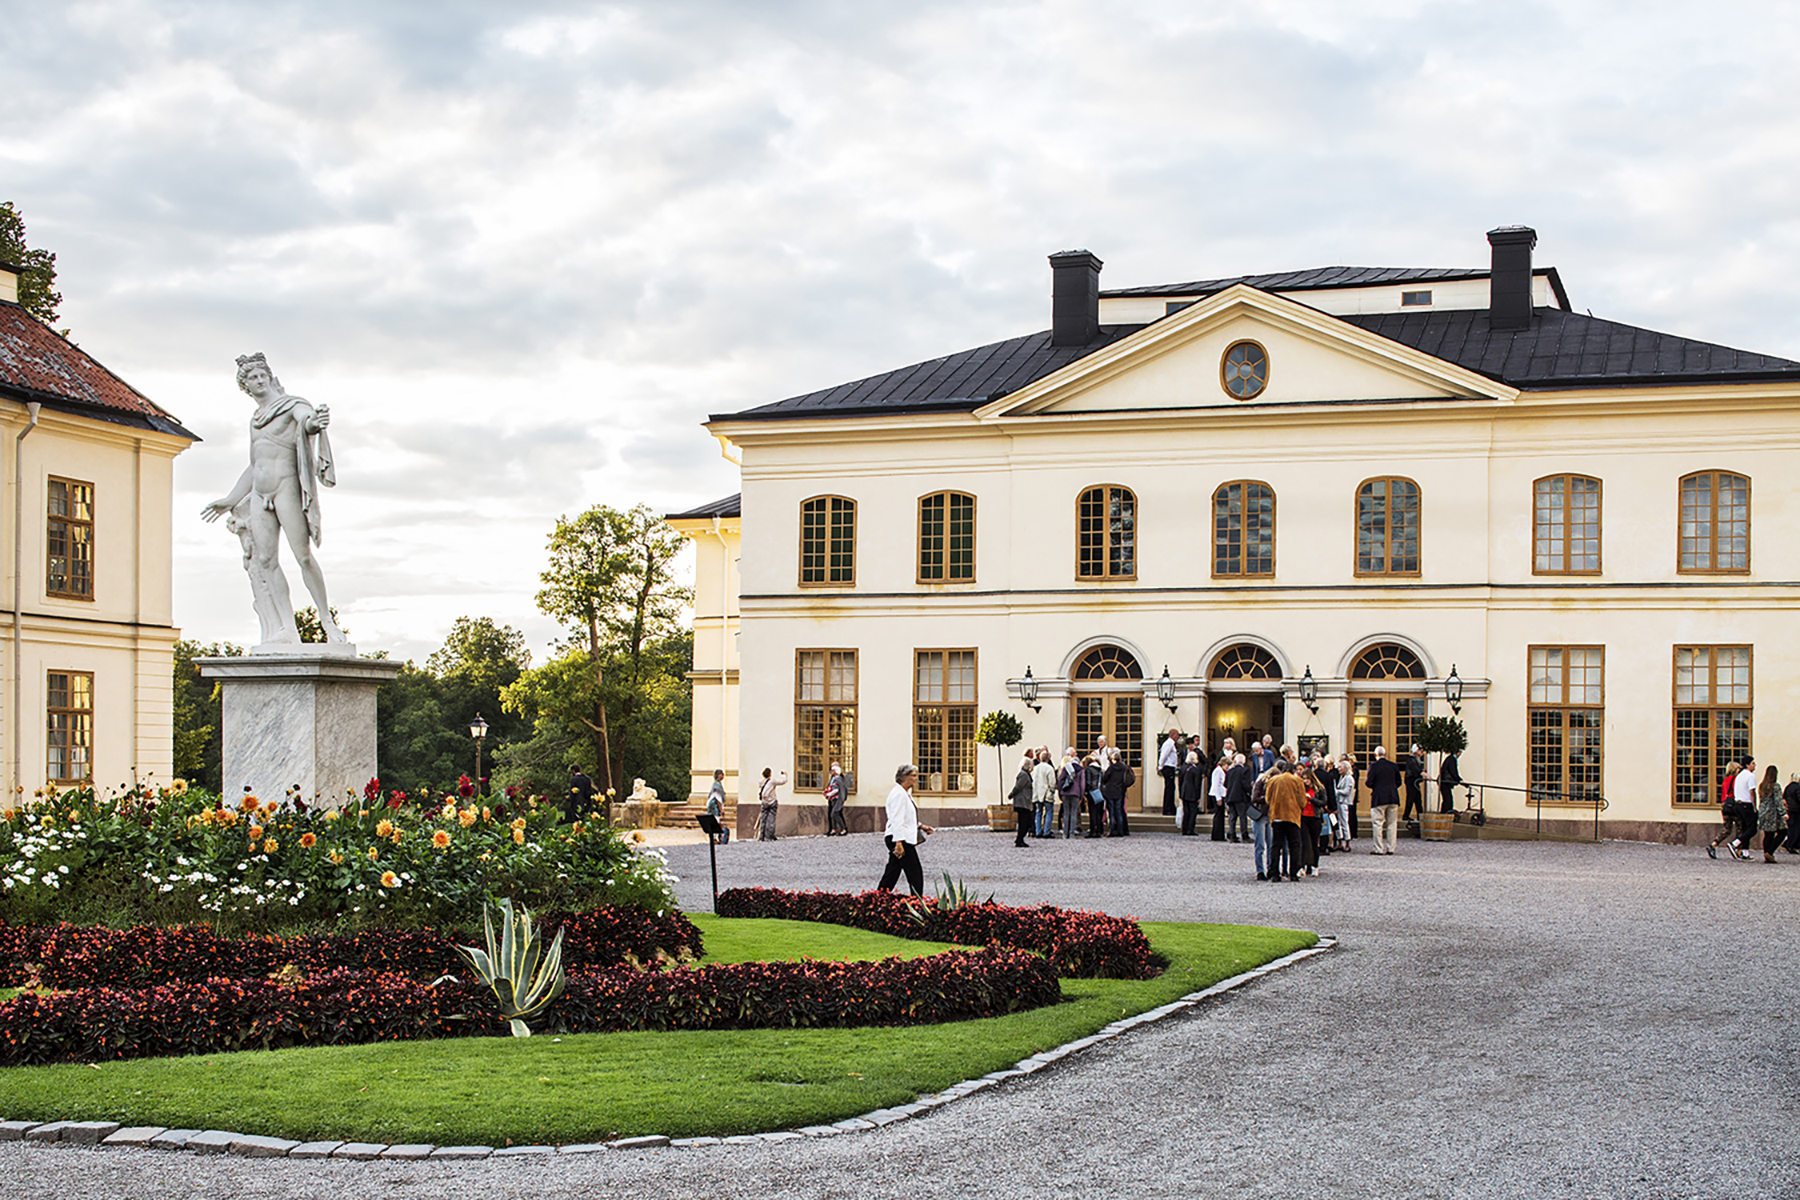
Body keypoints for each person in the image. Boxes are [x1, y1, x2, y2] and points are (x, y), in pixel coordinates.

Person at [201, 353, 344, 647]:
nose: (259, 380)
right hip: (260, 494)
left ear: (269, 377)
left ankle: (327, 622)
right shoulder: (254, 421)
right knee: (265, 561)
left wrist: (316, 421)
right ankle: (287, 629)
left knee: (303, 556)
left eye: (262, 375)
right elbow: (255, 466)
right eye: (252, 378)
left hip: (286, 487)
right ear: (246, 387)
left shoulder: (292, 404)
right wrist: (230, 500)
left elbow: (306, 422)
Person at [876, 764, 932, 894]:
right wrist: (899, 843)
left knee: (892, 872)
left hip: (900, 837)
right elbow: (896, 819)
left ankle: (878, 898)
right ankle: (917, 903)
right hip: (900, 839)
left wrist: (921, 826)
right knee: (915, 873)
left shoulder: (903, 793)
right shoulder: (899, 794)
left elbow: (906, 817)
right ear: (904, 777)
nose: (916, 778)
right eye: (913, 775)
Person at [1265, 760, 1306, 882]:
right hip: (1292, 816)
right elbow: (1302, 801)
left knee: (1276, 845)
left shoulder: (1273, 780)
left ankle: (1275, 873)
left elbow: (1268, 799)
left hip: (1277, 815)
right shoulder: (1298, 781)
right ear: (1293, 770)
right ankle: (1293, 873)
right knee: (1294, 845)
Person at [1366, 745, 1402, 855]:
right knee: (1392, 824)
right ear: (1385, 754)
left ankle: (1379, 848)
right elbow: (1399, 782)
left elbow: (1369, 782)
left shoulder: (1374, 766)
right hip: (1392, 796)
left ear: (1375, 755)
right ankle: (1391, 848)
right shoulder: (1393, 766)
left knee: (1378, 823)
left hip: (1379, 797)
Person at [1756, 764, 1785, 863]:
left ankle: (1767, 855)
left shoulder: (1762, 785)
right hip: (1773, 813)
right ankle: (1770, 852)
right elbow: (1778, 801)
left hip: (1764, 812)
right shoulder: (1775, 786)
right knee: (1783, 832)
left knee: (1768, 834)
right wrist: (1783, 813)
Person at [1101, 749, 1132, 836]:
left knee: (1111, 812)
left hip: (1110, 791)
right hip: (1119, 791)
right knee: (1118, 811)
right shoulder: (1123, 768)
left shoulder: (1111, 767)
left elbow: (1105, 777)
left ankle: (1112, 830)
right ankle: (1121, 831)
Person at [1057, 748, 1085, 837]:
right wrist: (1081, 796)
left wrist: (1060, 794)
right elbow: (1082, 784)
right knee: (1073, 814)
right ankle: (1072, 833)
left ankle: (1065, 833)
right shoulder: (1080, 770)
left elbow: (1060, 781)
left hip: (1065, 793)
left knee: (1066, 813)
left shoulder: (1065, 768)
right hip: (1076, 793)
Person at [1010, 752, 1036, 848]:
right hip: (1022, 802)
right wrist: (1011, 795)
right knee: (1024, 822)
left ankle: (1020, 839)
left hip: (1025, 801)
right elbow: (1018, 787)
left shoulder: (1025, 774)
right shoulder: (1024, 775)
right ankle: (1019, 839)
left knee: (1026, 821)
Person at [1224, 752, 1251, 843]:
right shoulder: (1245, 771)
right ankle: (1244, 834)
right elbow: (1245, 785)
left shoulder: (1230, 771)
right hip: (1241, 796)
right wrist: (1249, 792)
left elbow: (1226, 784)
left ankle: (1232, 834)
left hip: (1231, 796)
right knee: (1242, 816)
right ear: (1244, 762)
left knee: (1232, 816)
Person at [1032, 748, 1057, 838]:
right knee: (1049, 812)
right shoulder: (1049, 768)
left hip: (1037, 794)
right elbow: (1052, 782)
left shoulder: (1035, 768)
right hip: (1047, 794)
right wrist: (1052, 790)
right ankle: (1046, 831)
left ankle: (1038, 831)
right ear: (1048, 759)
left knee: (1038, 812)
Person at [1179, 751, 1205, 836]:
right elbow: (1197, 784)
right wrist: (1198, 796)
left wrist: (1180, 793)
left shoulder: (1183, 768)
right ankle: (1190, 829)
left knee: (1186, 811)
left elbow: (1180, 781)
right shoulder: (1196, 770)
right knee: (1193, 812)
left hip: (1184, 792)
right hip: (1192, 792)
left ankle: (1184, 828)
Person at [757, 766, 786, 841]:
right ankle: (769, 835)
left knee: (763, 818)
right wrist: (785, 775)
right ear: (770, 774)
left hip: (764, 802)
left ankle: (762, 836)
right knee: (771, 819)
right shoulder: (772, 781)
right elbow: (783, 781)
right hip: (772, 801)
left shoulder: (761, 782)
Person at [1334, 756, 1356, 851]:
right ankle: (1339, 841)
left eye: (1340, 767)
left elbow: (1347, 791)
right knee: (1338, 822)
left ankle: (1347, 841)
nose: (1339, 769)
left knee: (1344, 822)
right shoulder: (1341, 778)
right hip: (1339, 802)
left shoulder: (1349, 778)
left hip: (1344, 802)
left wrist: (1336, 791)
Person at [1402, 744, 1426, 829]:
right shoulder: (1411, 760)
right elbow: (1417, 770)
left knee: (1417, 799)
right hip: (1411, 782)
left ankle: (1420, 815)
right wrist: (1425, 775)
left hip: (1414, 782)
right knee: (1411, 798)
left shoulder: (1416, 759)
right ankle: (1406, 815)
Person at [1158, 730, 1182, 815]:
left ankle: (1171, 807)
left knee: (1171, 788)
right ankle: (1167, 808)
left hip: (1171, 767)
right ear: (1173, 735)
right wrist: (1160, 766)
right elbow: (1164, 755)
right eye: (1177, 735)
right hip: (1168, 767)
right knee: (1169, 788)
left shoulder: (1171, 744)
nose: (1178, 737)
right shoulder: (1168, 743)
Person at [1083, 752, 1105, 837]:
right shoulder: (1099, 769)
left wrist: (1086, 791)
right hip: (1099, 792)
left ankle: (1093, 831)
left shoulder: (1089, 769)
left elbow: (1088, 782)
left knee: (1092, 813)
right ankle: (1099, 830)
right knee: (1099, 813)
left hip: (1092, 792)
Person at [705, 768, 729, 844]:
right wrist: (721, 809)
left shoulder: (715, 784)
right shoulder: (717, 785)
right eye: (722, 774)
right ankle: (714, 838)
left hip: (712, 805)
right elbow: (718, 798)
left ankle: (714, 837)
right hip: (715, 806)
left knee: (714, 821)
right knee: (716, 821)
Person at [825, 762, 849, 836]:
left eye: (832, 770)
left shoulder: (838, 779)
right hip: (834, 799)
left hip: (837, 799)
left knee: (835, 813)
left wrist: (828, 794)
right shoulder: (835, 779)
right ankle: (834, 829)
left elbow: (836, 790)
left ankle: (843, 829)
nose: (831, 772)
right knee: (833, 814)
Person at [1438, 748, 1462, 814]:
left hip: (1444, 781)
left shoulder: (1450, 758)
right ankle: (1445, 814)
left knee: (1447, 799)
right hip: (1445, 781)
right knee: (1448, 800)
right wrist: (1459, 780)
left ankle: (1445, 813)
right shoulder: (1452, 759)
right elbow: (1453, 771)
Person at [1784, 772, 1800, 855]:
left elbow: (1784, 797)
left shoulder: (1788, 787)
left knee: (1791, 828)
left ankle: (1789, 843)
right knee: (1796, 829)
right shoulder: (1798, 787)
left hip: (1790, 810)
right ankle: (1792, 844)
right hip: (1797, 810)